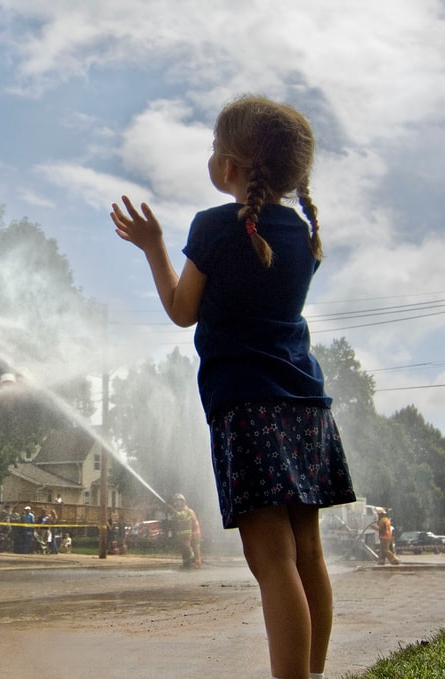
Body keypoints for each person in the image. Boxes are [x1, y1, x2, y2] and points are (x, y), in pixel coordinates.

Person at [111, 95, 356, 679]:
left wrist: (153, 248)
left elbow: (181, 309)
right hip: (306, 404)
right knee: (308, 554)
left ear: (229, 168)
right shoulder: (301, 233)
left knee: (272, 562)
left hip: (246, 404)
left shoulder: (214, 227)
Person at [171, 494, 202, 568]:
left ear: (183, 502)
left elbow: (182, 516)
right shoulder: (180, 511)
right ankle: (187, 563)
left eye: (178, 501)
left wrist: (175, 512)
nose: (176, 504)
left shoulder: (186, 510)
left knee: (194, 548)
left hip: (194, 532)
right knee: (184, 547)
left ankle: (196, 562)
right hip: (187, 532)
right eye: (175, 502)